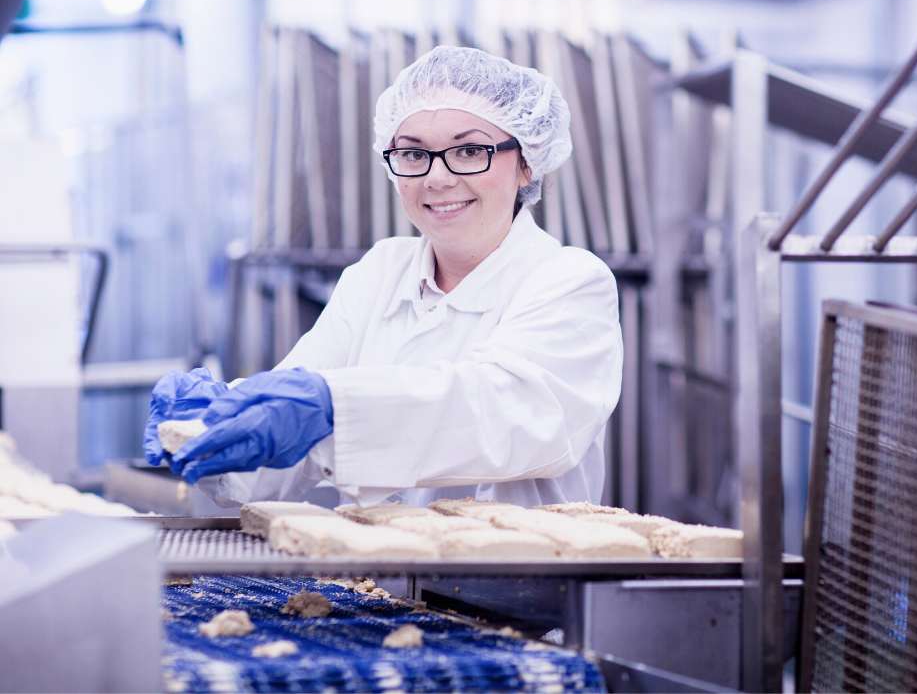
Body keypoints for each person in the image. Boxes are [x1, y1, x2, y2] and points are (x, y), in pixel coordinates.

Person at [144, 46, 623, 507]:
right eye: (414, 155)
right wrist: (215, 431)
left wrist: (333, 406)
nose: (437, 178)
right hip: (380, 583)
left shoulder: (570, 281)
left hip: (519, 583)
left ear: (525, 164)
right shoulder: (379, 272)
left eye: (469, 150)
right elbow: (295, 433)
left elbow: (504, 417)